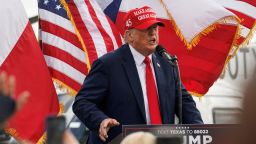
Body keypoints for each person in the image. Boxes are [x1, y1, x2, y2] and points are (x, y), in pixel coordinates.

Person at [73, 6, 203, 144]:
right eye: (146, 29)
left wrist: (200, 132)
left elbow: (185, 103)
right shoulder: (108, 65)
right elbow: (82, 102)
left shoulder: (167, 63)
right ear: (130, 36)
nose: (153, 33)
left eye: (155, 28)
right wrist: (100, 120)